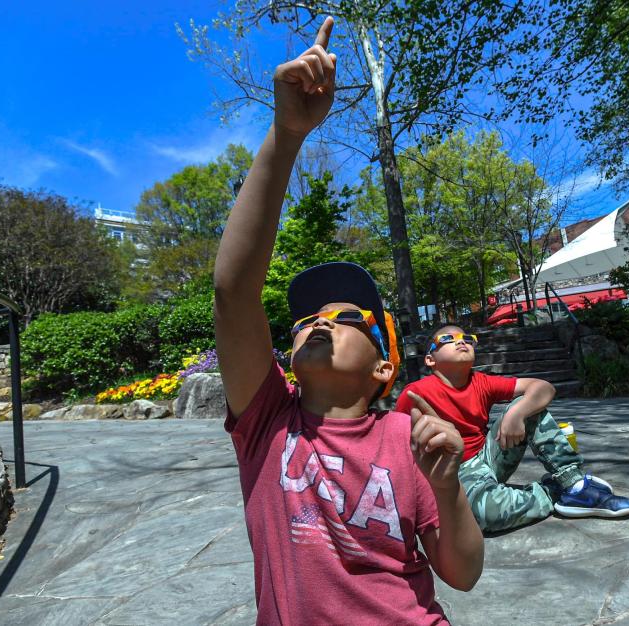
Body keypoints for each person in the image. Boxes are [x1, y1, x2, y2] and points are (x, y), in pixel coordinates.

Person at [213, 17, 483, 624]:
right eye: (307, 317)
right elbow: (233, 291)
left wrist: (447, 487)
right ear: (285, 359)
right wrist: (286, 136)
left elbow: (462, 574)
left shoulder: (407, 441)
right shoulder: (267, 423)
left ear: (384, 365)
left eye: (347, 315)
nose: (320, 319)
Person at [395, 324, 629, 533]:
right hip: (453, 472)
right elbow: (394, 446)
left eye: (467, 339)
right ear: (430, 359)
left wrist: (516, 413)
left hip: (489, 457)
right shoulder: (416, 394)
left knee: (529, 405)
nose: (461, 342)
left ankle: (573, 483)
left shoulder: (481, 382)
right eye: (448, 339)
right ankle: (554, 491)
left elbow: (543, 388)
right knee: (482, 517)